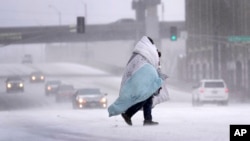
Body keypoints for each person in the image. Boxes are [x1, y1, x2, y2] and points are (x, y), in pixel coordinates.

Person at [108, 36, 163, 126]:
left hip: (139, 78)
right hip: (141, 79)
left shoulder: (141, 53)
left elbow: (152, 58)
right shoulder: (145, 52)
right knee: (144, 97)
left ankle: (147, 119)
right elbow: (151, 61)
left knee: (148, 98)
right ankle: (128, 114)